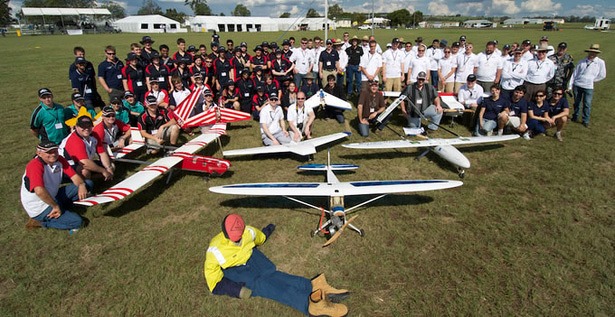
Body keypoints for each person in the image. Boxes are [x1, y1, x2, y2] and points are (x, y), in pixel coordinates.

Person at [204, 213, 349, 316]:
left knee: (275, 275)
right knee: (267, 286)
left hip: (254, 258)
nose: (238, 240)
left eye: (239, 237)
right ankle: (310, 304)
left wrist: (269, 229)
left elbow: (260, 237)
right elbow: (214, 282)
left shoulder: (248, 231)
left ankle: (311, 286)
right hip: (236, 271)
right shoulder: (215, 250)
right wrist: (237, 290)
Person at [20, 141, 90, 231]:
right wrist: (55, 206)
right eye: (49, 152)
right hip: (40, 206)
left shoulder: (60, 159)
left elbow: (74, 176)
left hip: (53, 195)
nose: (53, 154)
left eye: (55, 151)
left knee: (88, 184)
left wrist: (81, 185)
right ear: (39, 153)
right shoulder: (35, 165)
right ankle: (42, 221)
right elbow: (39, 191)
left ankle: (63, 208)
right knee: (77, 222)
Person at [60, 115, 114, 180]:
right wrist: (103, 171)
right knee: (85, 171)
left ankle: (100, 177)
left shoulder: (94, 135)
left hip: (85, 161)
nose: (87, 129)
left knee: (112, 166)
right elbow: (84, 163)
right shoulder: (74, 140)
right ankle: (87, 182)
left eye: (89, 126)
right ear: (76, 127)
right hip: (66, 166)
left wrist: (108, 168)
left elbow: (102, 153)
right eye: (83, 126)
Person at [567, 44, 607, 128]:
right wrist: (570, 86)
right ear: (589, 52)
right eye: (591, 52)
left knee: (587, 103)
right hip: (577, 85)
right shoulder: (582, 61)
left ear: (597, 53)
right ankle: (575, 116)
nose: (592, 53)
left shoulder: (600, 62)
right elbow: (574, 74)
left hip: (588, 86)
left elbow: (602, 75)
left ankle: (585, 120)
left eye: (594, 52)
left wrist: (592, 80)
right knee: (577, 102)